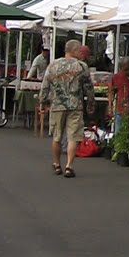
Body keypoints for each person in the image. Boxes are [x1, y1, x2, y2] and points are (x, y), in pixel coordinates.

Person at [39, 41, 94, 179]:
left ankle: (57, 164)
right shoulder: (82, 66)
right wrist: (90, 103)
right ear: (74, 50)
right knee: (73, 136)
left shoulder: (53, 65)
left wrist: (43, 101)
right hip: (75, 105)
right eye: (79, 50)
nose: (81, 53)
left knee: (57, 136)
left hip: (57, 105)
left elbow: (45, 85)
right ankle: (69, 166)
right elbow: (88, 87)